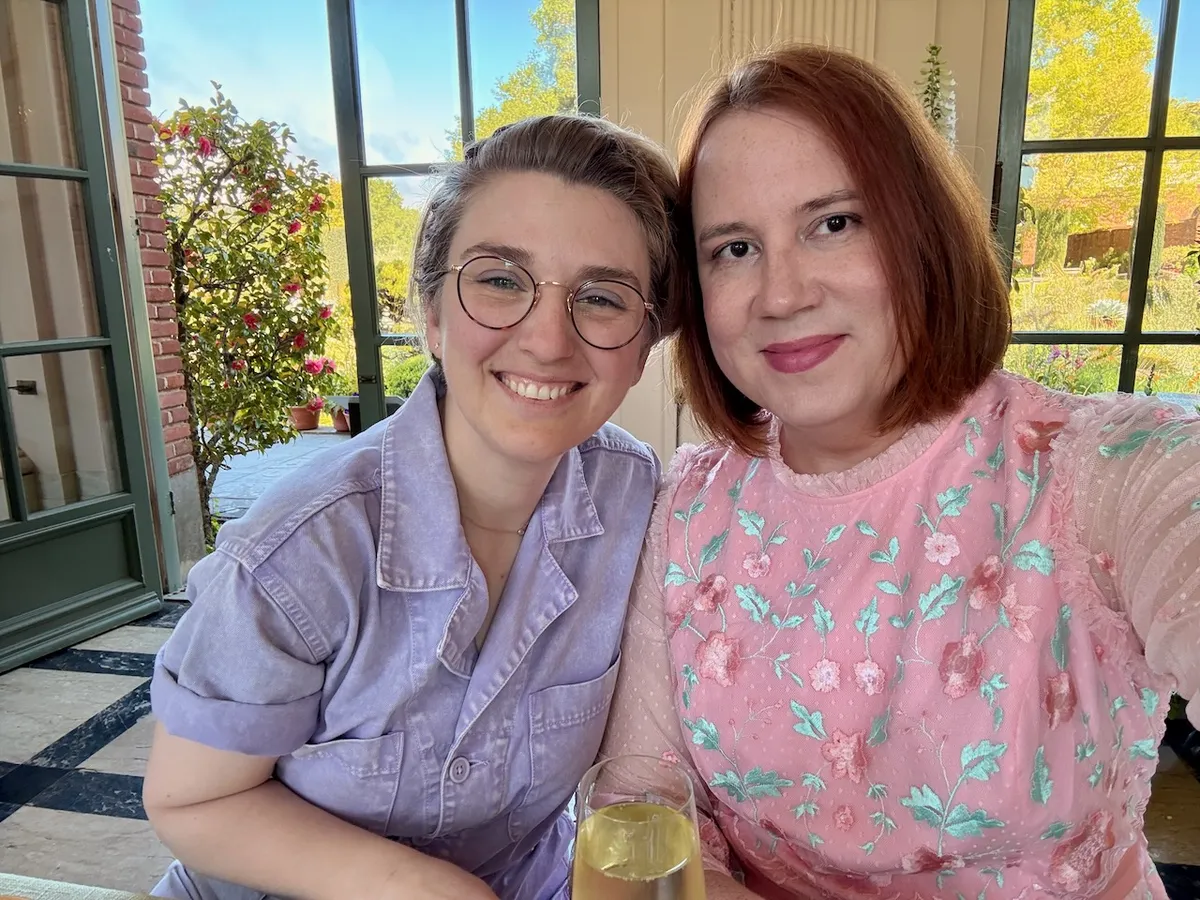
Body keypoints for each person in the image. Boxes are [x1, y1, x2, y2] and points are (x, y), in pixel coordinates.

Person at [598, 43, 1200, 900]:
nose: (782, 293)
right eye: (733, 247)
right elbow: (640, 803)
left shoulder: (1095, 475)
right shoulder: (688, 506)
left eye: (834, 222)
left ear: (921, 231)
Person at [142, 113, 685, 900]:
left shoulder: (637, 501)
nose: (547, 341)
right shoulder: (302, 550)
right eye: (500, 280)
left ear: (642, 345)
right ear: (430, 314)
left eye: (601, 297)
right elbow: (193, 800)